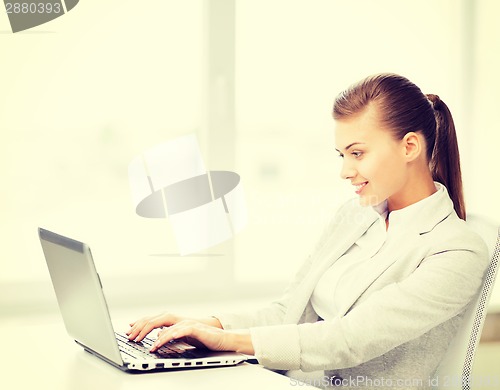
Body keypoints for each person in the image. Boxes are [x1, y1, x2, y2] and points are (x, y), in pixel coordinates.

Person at [126, 73, 489, 388]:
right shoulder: (355, 216)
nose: (345, 171)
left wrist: (229, 341)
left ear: (410, 146)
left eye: (357, 153)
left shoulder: (457, 250)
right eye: (341, 155)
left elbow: (352, 338)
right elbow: (289, 311)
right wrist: (205, 325)